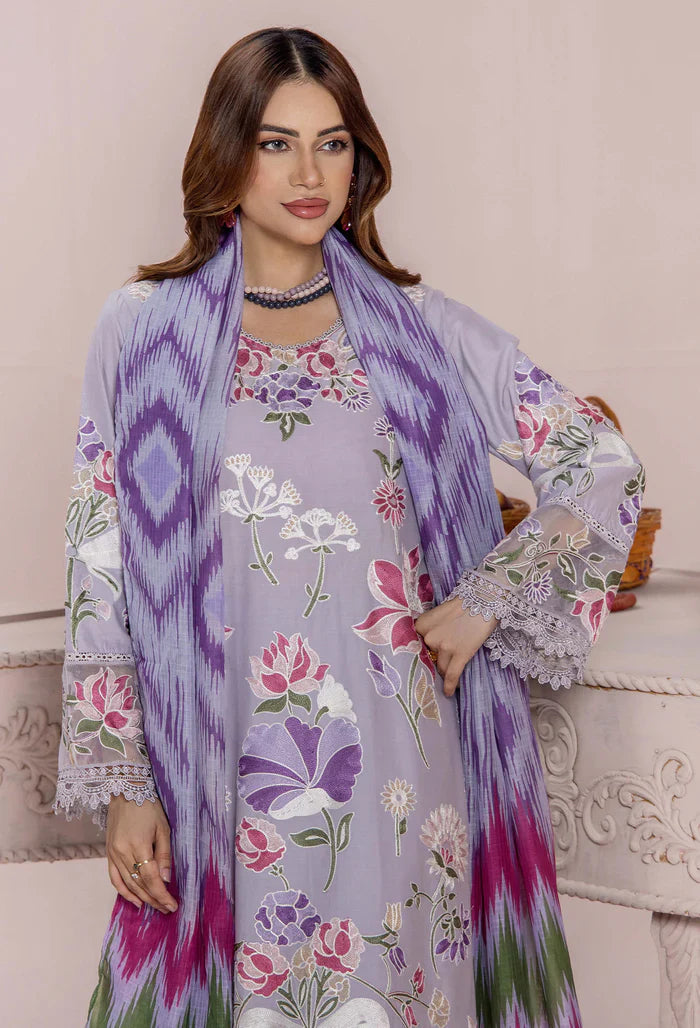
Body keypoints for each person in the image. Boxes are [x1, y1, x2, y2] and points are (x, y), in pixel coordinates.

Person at [53, 26, 645, 1028]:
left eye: (331, 143)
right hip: (216, 768)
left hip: (398, 771)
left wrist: (484, 599)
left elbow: (600, 463)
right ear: (227, 152)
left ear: (358, 158)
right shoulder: (143, 331)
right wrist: (126, 783)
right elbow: (98, 559)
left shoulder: (423, 332)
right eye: (276, 143)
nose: (307, 173)